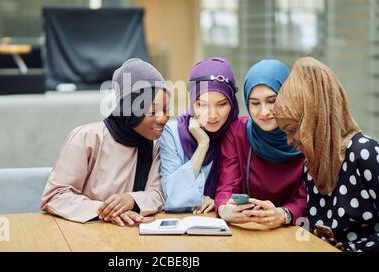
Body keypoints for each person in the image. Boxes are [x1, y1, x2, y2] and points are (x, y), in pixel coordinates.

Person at [41, 58, 170, 227]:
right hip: (84, 234)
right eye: (152, 111)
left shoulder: (158, 144)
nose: (163, 118)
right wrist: (106, 210)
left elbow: (158, 193)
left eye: (167, 109)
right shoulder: (87, 138)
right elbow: (55, 196)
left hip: (134, 235)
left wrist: (132, 200)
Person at [273, 56, 379, 252]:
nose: (289, 141)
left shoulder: (365, 153)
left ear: (314, 120)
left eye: (292, 129)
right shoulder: (312, 166)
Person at [216, 59, 306, 227]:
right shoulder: (237, 133)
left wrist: (284, 214)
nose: (264, 112)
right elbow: (227, 185)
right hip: (249, 232)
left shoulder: (307, 136)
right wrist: (224, 208)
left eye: (272, 100)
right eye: (255, 103)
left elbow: (309, 197)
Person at [160, 57, 239, 213]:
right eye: (202, 104)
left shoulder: (236, 134)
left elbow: (240, 192)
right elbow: (171, 197)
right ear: (192, 102)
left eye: (222, 104)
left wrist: (218, 201)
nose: (213, 115)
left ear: (232, 102)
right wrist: (203, 144)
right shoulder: (172, 133)